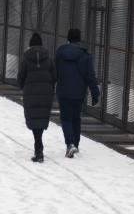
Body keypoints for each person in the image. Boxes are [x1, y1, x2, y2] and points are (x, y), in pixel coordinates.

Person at [54, 28, 100, 158]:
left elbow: (54, 71)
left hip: (63, 92)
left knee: (66, 119)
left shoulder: (60, 52)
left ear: (68, 38)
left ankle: (70, 144)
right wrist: (95, 93)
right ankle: (76, 144)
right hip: (79, 93)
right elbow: (90, 76)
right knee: (76, 118)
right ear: (79, 39)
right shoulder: (85, 56)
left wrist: (51, 86)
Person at [17, 32, 55, 163]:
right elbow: (54, 76)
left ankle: (38, 149)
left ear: (30, 44)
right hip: (46, 94)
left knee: (34, 119)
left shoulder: (26, 59)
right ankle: (38, 147)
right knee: (41, 119)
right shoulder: (49, 59)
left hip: (31, 93)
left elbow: (20, 78)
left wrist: (24, 87)